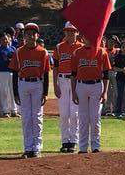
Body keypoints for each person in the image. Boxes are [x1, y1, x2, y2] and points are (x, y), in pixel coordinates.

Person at [10, 22, 50, 158]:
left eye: (33, 33)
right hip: (23, 84)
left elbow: (45, 74)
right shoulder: (19, 52)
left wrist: (45, 92)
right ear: (24, 36)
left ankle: (37, 147)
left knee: (37, 116)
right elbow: (15, 73)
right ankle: (28, 148)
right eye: (28, 34)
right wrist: (15, 92)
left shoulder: (43, 52)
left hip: (38, 84)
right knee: (26, 117)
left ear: (37, 36)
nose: (31, 36)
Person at [70, 34, 111, 154]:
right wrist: (73, 92)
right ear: (82, 37)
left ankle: (95, 146)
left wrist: (105, 92)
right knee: (83, 118)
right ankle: (82, 147)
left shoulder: (101, 52)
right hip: (81, 85)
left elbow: (106, 74)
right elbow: (73, 74)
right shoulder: (77, 52)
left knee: (95, 117)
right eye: (85, 35)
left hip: (96, 85)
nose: (87, 38)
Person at [53, 21, 82, 153]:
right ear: (65, 32)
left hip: (76, 81)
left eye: (73, 31)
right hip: (63, 80)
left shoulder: (81, 47)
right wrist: (55, 85)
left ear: (77, 32)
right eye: (68, 31)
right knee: (64, 114)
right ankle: (65, 141)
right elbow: (55, 68)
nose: (70, 33)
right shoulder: (59, 47)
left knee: (74, 114)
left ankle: (74, 141)